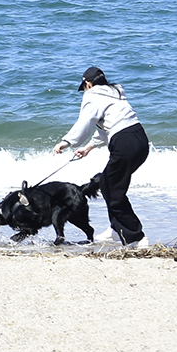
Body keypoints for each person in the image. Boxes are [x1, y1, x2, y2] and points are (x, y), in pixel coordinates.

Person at [52, 66, 150, 246]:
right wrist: (89, 147)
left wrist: (66, 142)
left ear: (88, 84)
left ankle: (137, 237)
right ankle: (116, 229)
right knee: (107, 183)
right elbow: (110, 126)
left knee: (113, 189)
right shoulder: (115, 92)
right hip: (140, 141)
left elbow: (85, 122)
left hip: (124, 142)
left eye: (84, 87)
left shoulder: (92, 95)